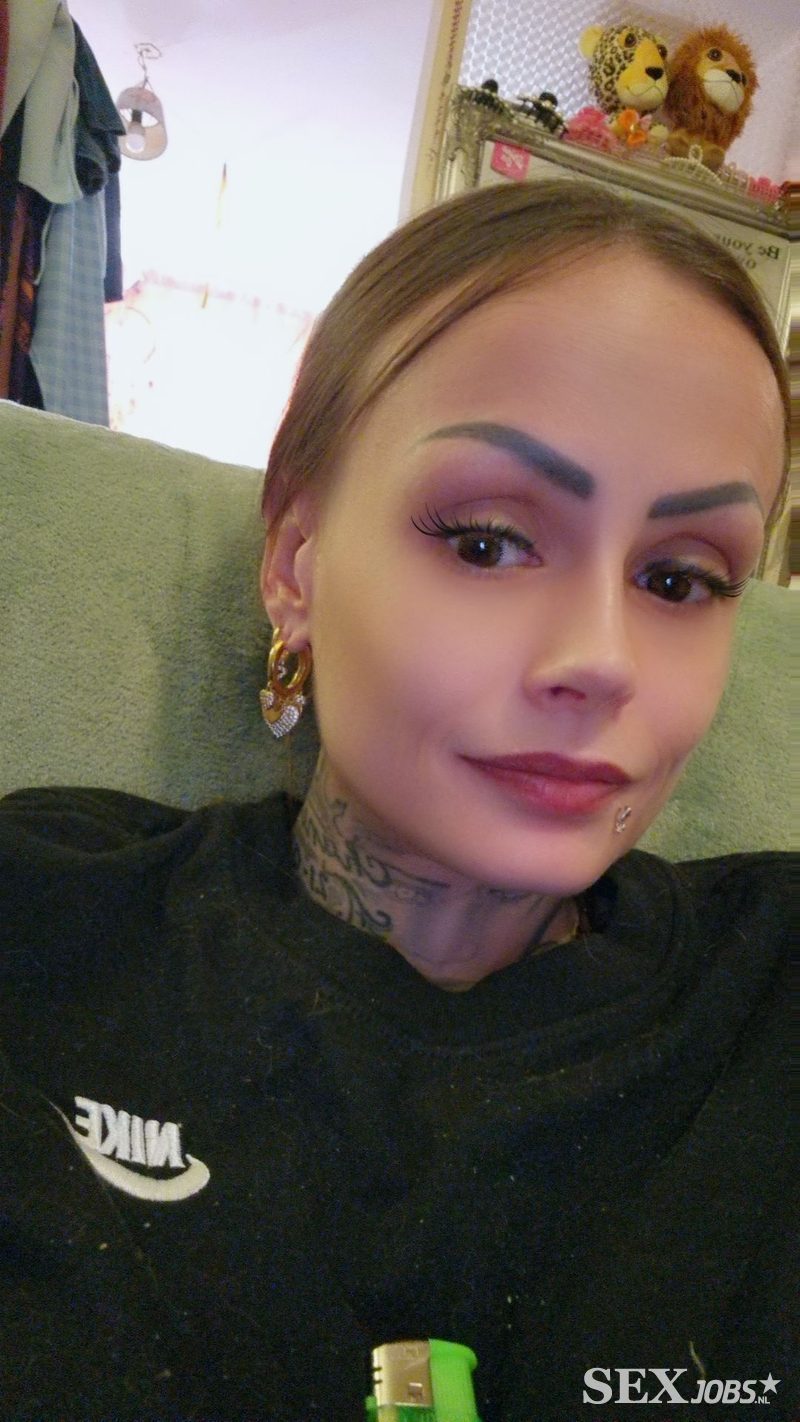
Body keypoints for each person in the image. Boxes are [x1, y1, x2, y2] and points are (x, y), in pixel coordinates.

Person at [0, 180, 794, 1422]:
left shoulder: (770, 1004)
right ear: (294, 562)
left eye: (679, 580)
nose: (601, 661)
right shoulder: (46, 922)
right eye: (484, 541)